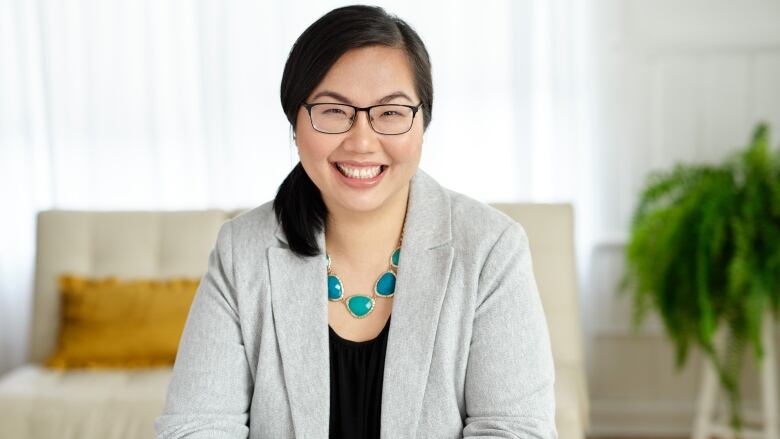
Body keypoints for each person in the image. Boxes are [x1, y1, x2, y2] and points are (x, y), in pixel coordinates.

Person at [155, 4, 556, 439]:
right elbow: (195, 427)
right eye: (332, 110)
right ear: (295, 122)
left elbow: (515, 430)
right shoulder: (241, 250)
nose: (362, 141)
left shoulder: (491, 249)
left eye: (390, 112)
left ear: (423, 123)